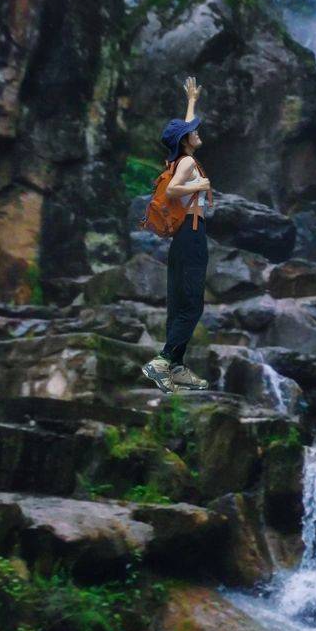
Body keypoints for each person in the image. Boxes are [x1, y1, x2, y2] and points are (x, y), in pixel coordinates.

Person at [142, 76, 213, 394]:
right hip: (192, 235)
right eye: (194, 131)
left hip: (182, 239)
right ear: (186, 141)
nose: (197, 132)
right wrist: (199, 185)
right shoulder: (186, 163)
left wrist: (191, 102)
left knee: (179, 303)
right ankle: (161, 362)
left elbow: (183, 133)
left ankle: (178, 367)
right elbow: (172, 190)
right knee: (193, 306)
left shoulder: (179, 157)